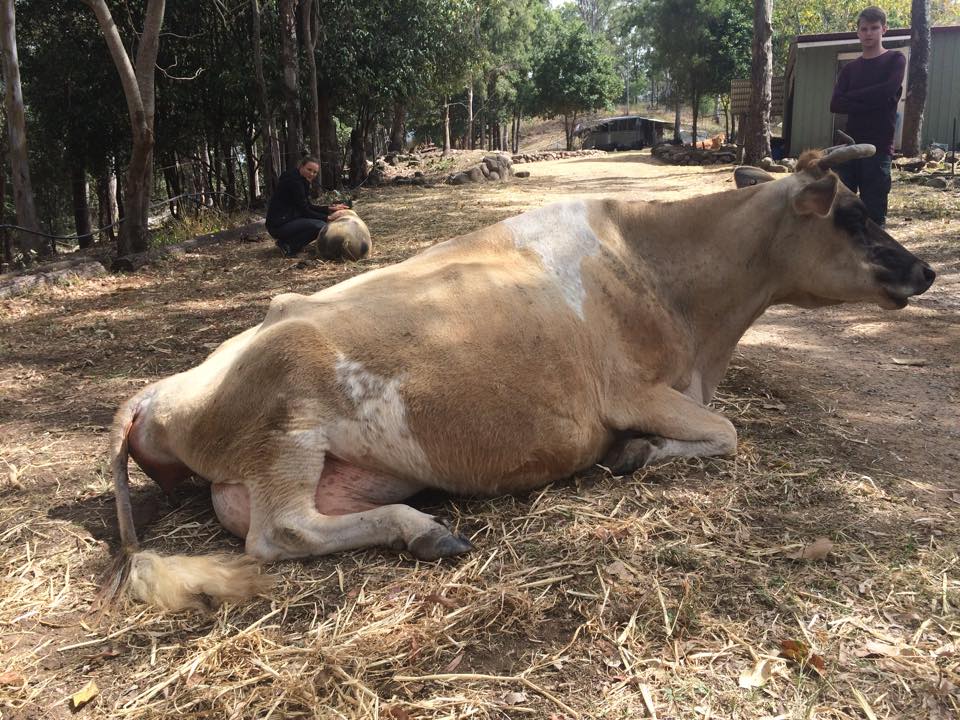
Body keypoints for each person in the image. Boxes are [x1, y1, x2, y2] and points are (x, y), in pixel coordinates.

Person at [829, 6, 906, 228]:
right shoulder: (850, 69)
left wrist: (852, 98)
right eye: (864, 29)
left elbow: (886, 92)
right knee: (842, 213)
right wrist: (876, 99)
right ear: (858, 33)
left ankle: (874, 260)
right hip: (849, 147)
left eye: (874, 28)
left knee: (874, 218)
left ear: (885, 29)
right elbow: (835, 104)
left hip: (879, 147)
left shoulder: (895, 60)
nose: (869, 33)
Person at [265, 157, 349, 257]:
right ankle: (288, 246)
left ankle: (287, 241)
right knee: (320, 226)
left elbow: (307, 205)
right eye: (309, 170)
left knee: (319, 222)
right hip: (279, 225)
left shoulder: (299, 179)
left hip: (285, 220)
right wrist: (328, 218)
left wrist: (329, 209)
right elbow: (305, 210)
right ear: (301, 167)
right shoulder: (295, 182)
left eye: (315, 172)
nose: (312, 174)